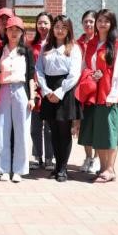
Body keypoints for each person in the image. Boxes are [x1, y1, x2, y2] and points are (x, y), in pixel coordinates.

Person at [78, 9, 118, 183]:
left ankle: (110, 169)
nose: (102, 24)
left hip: (108, 97)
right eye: (100, 20)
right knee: (99, 135)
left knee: (110, 134)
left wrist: (113, 95)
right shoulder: (92, 44)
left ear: (112, 24)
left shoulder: (117, 46)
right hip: (93, 96)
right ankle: (102, 168)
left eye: (106, 21)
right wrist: (91, 75)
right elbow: (84, 67)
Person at [35, 15, 83, 183]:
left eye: (64, 27)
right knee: (53, 130)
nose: (60, 30)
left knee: (64, 131)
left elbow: (75, 74)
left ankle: (63, 167)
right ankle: (56, 167)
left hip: (65, 90)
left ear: (69, 29)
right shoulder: (45, 47)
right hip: (48, 89)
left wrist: (59, 92)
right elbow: (39, 69)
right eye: (57, 27)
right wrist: (46, 90)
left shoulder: (74, 48)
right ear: (53, 29)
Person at [0, 16, 36, 183]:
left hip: (21, 90)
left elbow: (31, 76)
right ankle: (4, 169)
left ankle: (19, 170)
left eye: (17, 30)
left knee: (22, 131)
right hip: (4, 90)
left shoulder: (27, 51)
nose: (13, 33)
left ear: (22, 33)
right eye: (10, 29)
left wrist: (32, 97)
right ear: (5, 31)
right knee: (2, 129)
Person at [29, 12, 55, 171]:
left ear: (51, 25)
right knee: (35, 126)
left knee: (50, 127)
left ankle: (49, 158)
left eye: (45, 23)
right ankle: (37, 156)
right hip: (35, 90)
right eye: (40, 23)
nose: (42, 26)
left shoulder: (55, 44)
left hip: (50, 90)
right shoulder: (31, 45)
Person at [77, 10, 100, 174]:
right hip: (82, 87)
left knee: (96, 124)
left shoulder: (100, 42)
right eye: (85, 21)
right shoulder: (78, 42)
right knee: (85, 124)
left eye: (91, 21)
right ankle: (87, 157)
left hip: (97, 87)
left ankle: (97, 158)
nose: (88, 24)